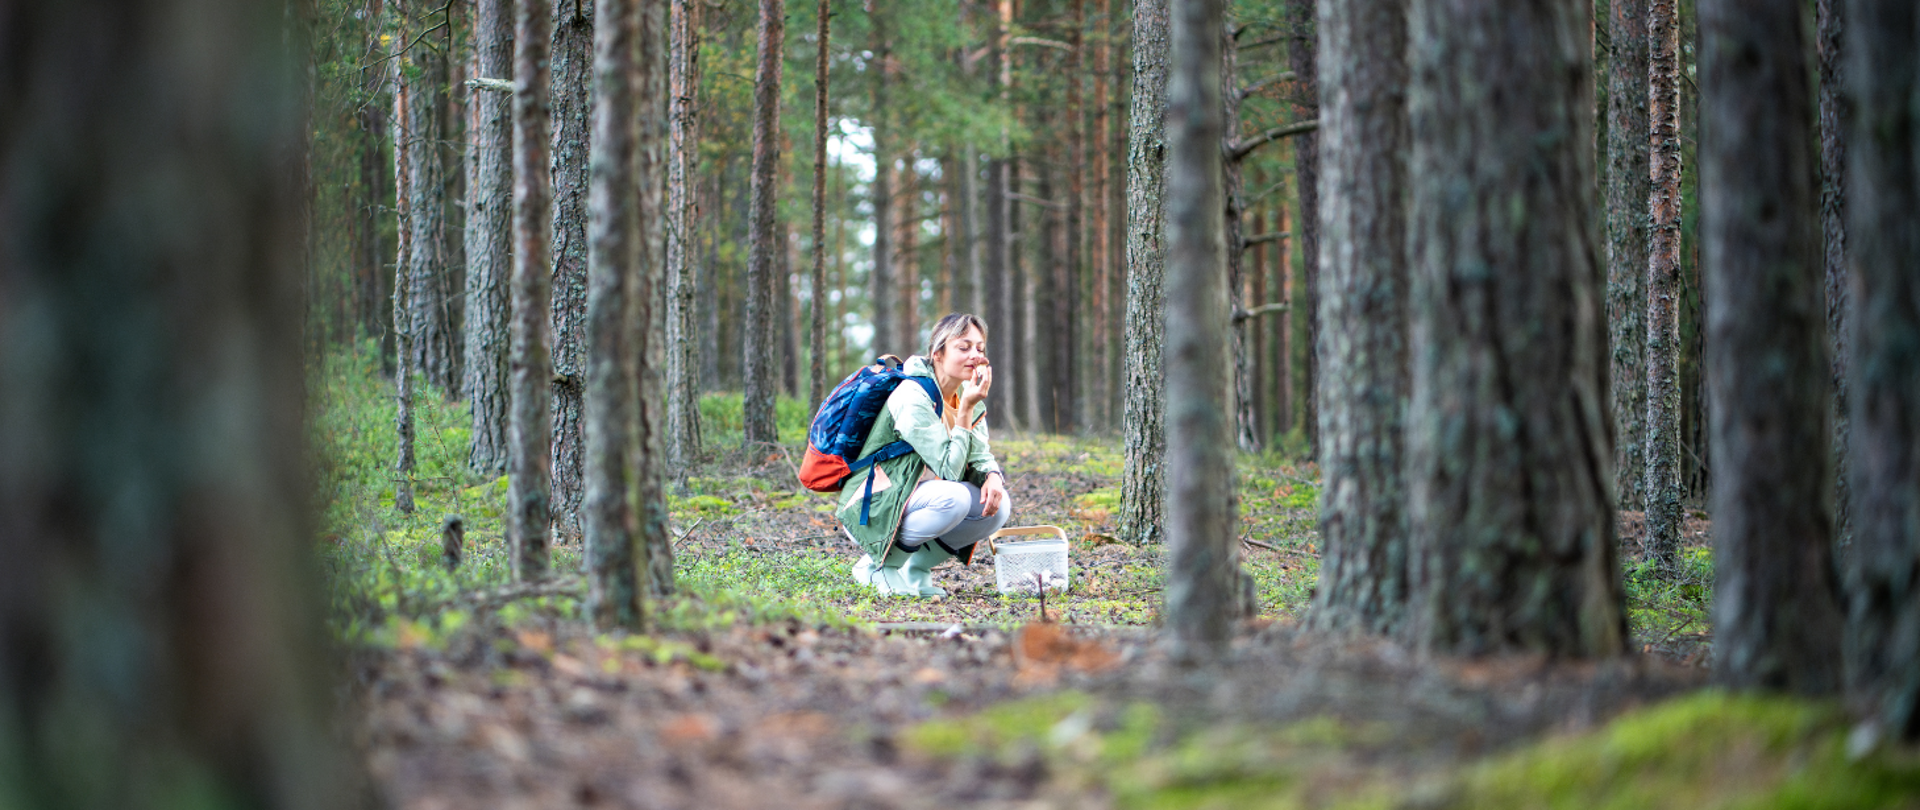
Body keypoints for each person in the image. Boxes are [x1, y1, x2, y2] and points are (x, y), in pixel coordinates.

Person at [839, 313, 1012, 597]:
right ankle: (877, 566)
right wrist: (966, 411)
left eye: (980, 348)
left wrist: (992, 474)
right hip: (873, 504)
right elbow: (950, 471)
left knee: (997, 505)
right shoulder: (912, 395)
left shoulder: (966, 394)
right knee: (954, 497)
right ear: (938, 353)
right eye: (963, 347)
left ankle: (914, 570)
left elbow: (981, 453)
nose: (975, 356)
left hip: (916, 497)